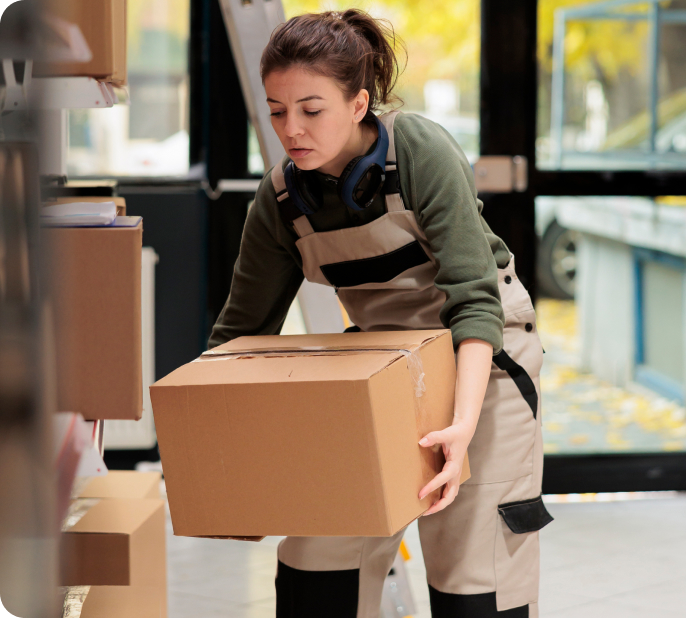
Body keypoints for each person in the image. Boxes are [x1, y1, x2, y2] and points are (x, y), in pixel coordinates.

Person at [208, 9, 551, 617]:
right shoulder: (282, 200)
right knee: (319, 559)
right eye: (277, 110)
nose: (292, 129)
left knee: (473, 576)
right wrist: (224, 467)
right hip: (385, 373)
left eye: (312, 110)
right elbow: (239, 337)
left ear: (360, 103)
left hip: (484, 370)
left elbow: (475, 304)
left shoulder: (420, 150)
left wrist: (462, 427)